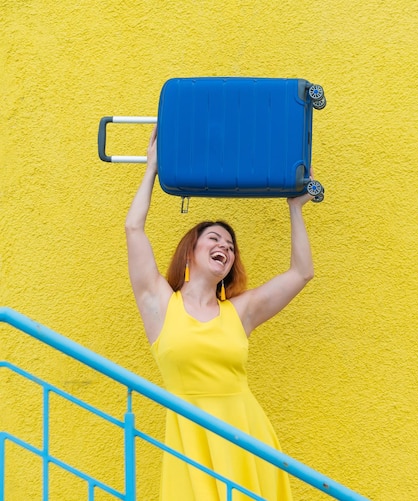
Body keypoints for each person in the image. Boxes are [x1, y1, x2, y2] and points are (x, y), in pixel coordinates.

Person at [125, 127, 314, 500]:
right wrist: (151, 169)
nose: (224, 248)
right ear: (191, 251)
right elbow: (133, 228)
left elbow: (301, 273)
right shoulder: (161, 304)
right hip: (190, 439)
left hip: (245, 434)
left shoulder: (239, 312)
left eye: (230, 246)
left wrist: (295, 209)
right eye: (214, 239)